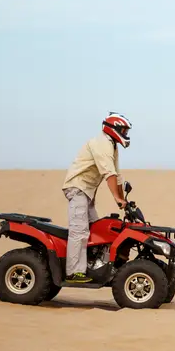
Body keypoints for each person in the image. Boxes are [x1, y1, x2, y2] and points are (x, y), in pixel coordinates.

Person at [60, 112, 133, 283]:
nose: (125, 134)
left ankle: (94, 265)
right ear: (113, 129)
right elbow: (108, 173)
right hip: (77, 188)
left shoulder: (111, 145)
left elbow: (117, 175)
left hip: (87, 191)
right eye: (123, 130)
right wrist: (117, 198)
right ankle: (74, 273)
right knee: (80, 231)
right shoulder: (102, 143)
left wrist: (123, 200)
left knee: (98, 229)